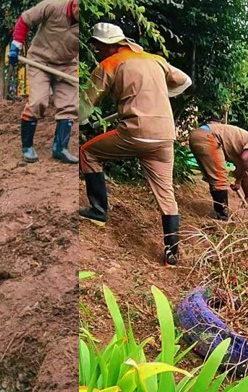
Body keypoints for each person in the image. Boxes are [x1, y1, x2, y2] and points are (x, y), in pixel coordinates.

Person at [79, 23, 192, 265]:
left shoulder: (109, 64)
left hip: (134, 134)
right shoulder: (155, 60)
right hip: (164, 137)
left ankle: (98, 211)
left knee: (87, 152)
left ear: (111, 46)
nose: (97, 50)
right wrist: (160, 92)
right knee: (166, 191)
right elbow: (185, 81)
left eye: (98, 46)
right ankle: (172, 251)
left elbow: (84, 108)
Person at [7, 0, 79, 164]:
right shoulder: (52, 7)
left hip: (66, 64)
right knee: (38, 101)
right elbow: (25, 19)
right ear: (74, 5)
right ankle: (27, 147)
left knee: (70, 105)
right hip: (39, 60)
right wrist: (16, 45)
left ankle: (60, 148)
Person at [187, 122, 248, 220]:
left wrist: (247, 196)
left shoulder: (245, 148)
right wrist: (238, 181)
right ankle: (222, 219)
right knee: (220, 180)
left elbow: (245, 174)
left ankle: (219, 214)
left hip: (197, 135)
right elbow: (245, 159)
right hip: (209, 137)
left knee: (214, 180)